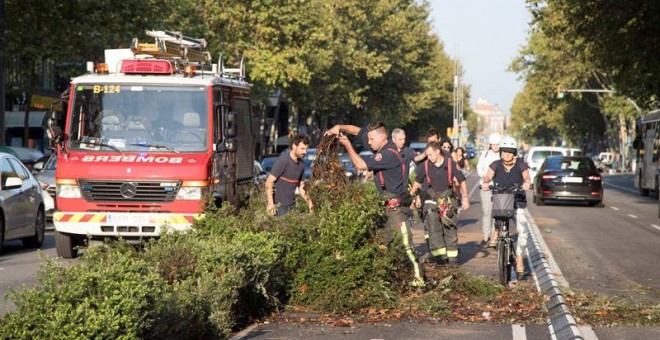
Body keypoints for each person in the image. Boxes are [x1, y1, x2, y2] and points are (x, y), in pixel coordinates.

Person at [328, 122, 425, 287]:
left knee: (405, 245)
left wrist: (347, 145)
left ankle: (419, 280)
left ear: (382, 138)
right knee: (384, 245)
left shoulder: (388, 154)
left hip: (396, 208)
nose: (369, 142)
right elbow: (358, 131)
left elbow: (361, 165)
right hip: (384, 206)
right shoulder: (379, 145)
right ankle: (394, 279)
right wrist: (338, 127)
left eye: (371, 139)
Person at [410, 142, 470, 266]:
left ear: (438, 152)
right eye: (427, 155)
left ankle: (452, 259)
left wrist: (465, 198)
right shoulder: (426, 166)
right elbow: (417, 182)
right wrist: (412, 198)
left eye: (430, 154)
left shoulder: (450, 164)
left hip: (447, 199)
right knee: (433, 226)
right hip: (431, 199)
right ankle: (440, 257)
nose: (428, 157)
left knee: (449, 226)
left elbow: (462, 180)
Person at [480, 135, 531, 278]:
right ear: (500, 152)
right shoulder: (495, 164)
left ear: (514, 153)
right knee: (497, 218)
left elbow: (527, 177)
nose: (507, 154)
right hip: (501, 200)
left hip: (517, 202)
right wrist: (485, 182)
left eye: (510, 152)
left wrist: (527, 182)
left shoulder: (521, 164)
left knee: (523, 231)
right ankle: (495, 233)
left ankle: (519, 257)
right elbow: (487, 177)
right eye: (504, 151)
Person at [265, 134, 314, 216]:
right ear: (294, 146)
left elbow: (302, 188)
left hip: (292, 207)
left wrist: (310, 202)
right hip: (279, 207)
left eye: (306, 149)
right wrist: (270, 204)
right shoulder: (283, 160)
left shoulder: (301, 165)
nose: (305, 152)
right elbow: (268, 182)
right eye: (302, 148)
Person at [476, 132, 502, 248]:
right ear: (490, 144)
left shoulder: (502, 155)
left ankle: (494, 236)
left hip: (499, 187)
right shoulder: (485, 154)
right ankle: (485, 236)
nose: (495, 146)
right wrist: (485, 178)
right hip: (486, 186)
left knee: (496, 213)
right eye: (493, 144)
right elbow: (479, 168)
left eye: (497, 144)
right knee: (487, 212)